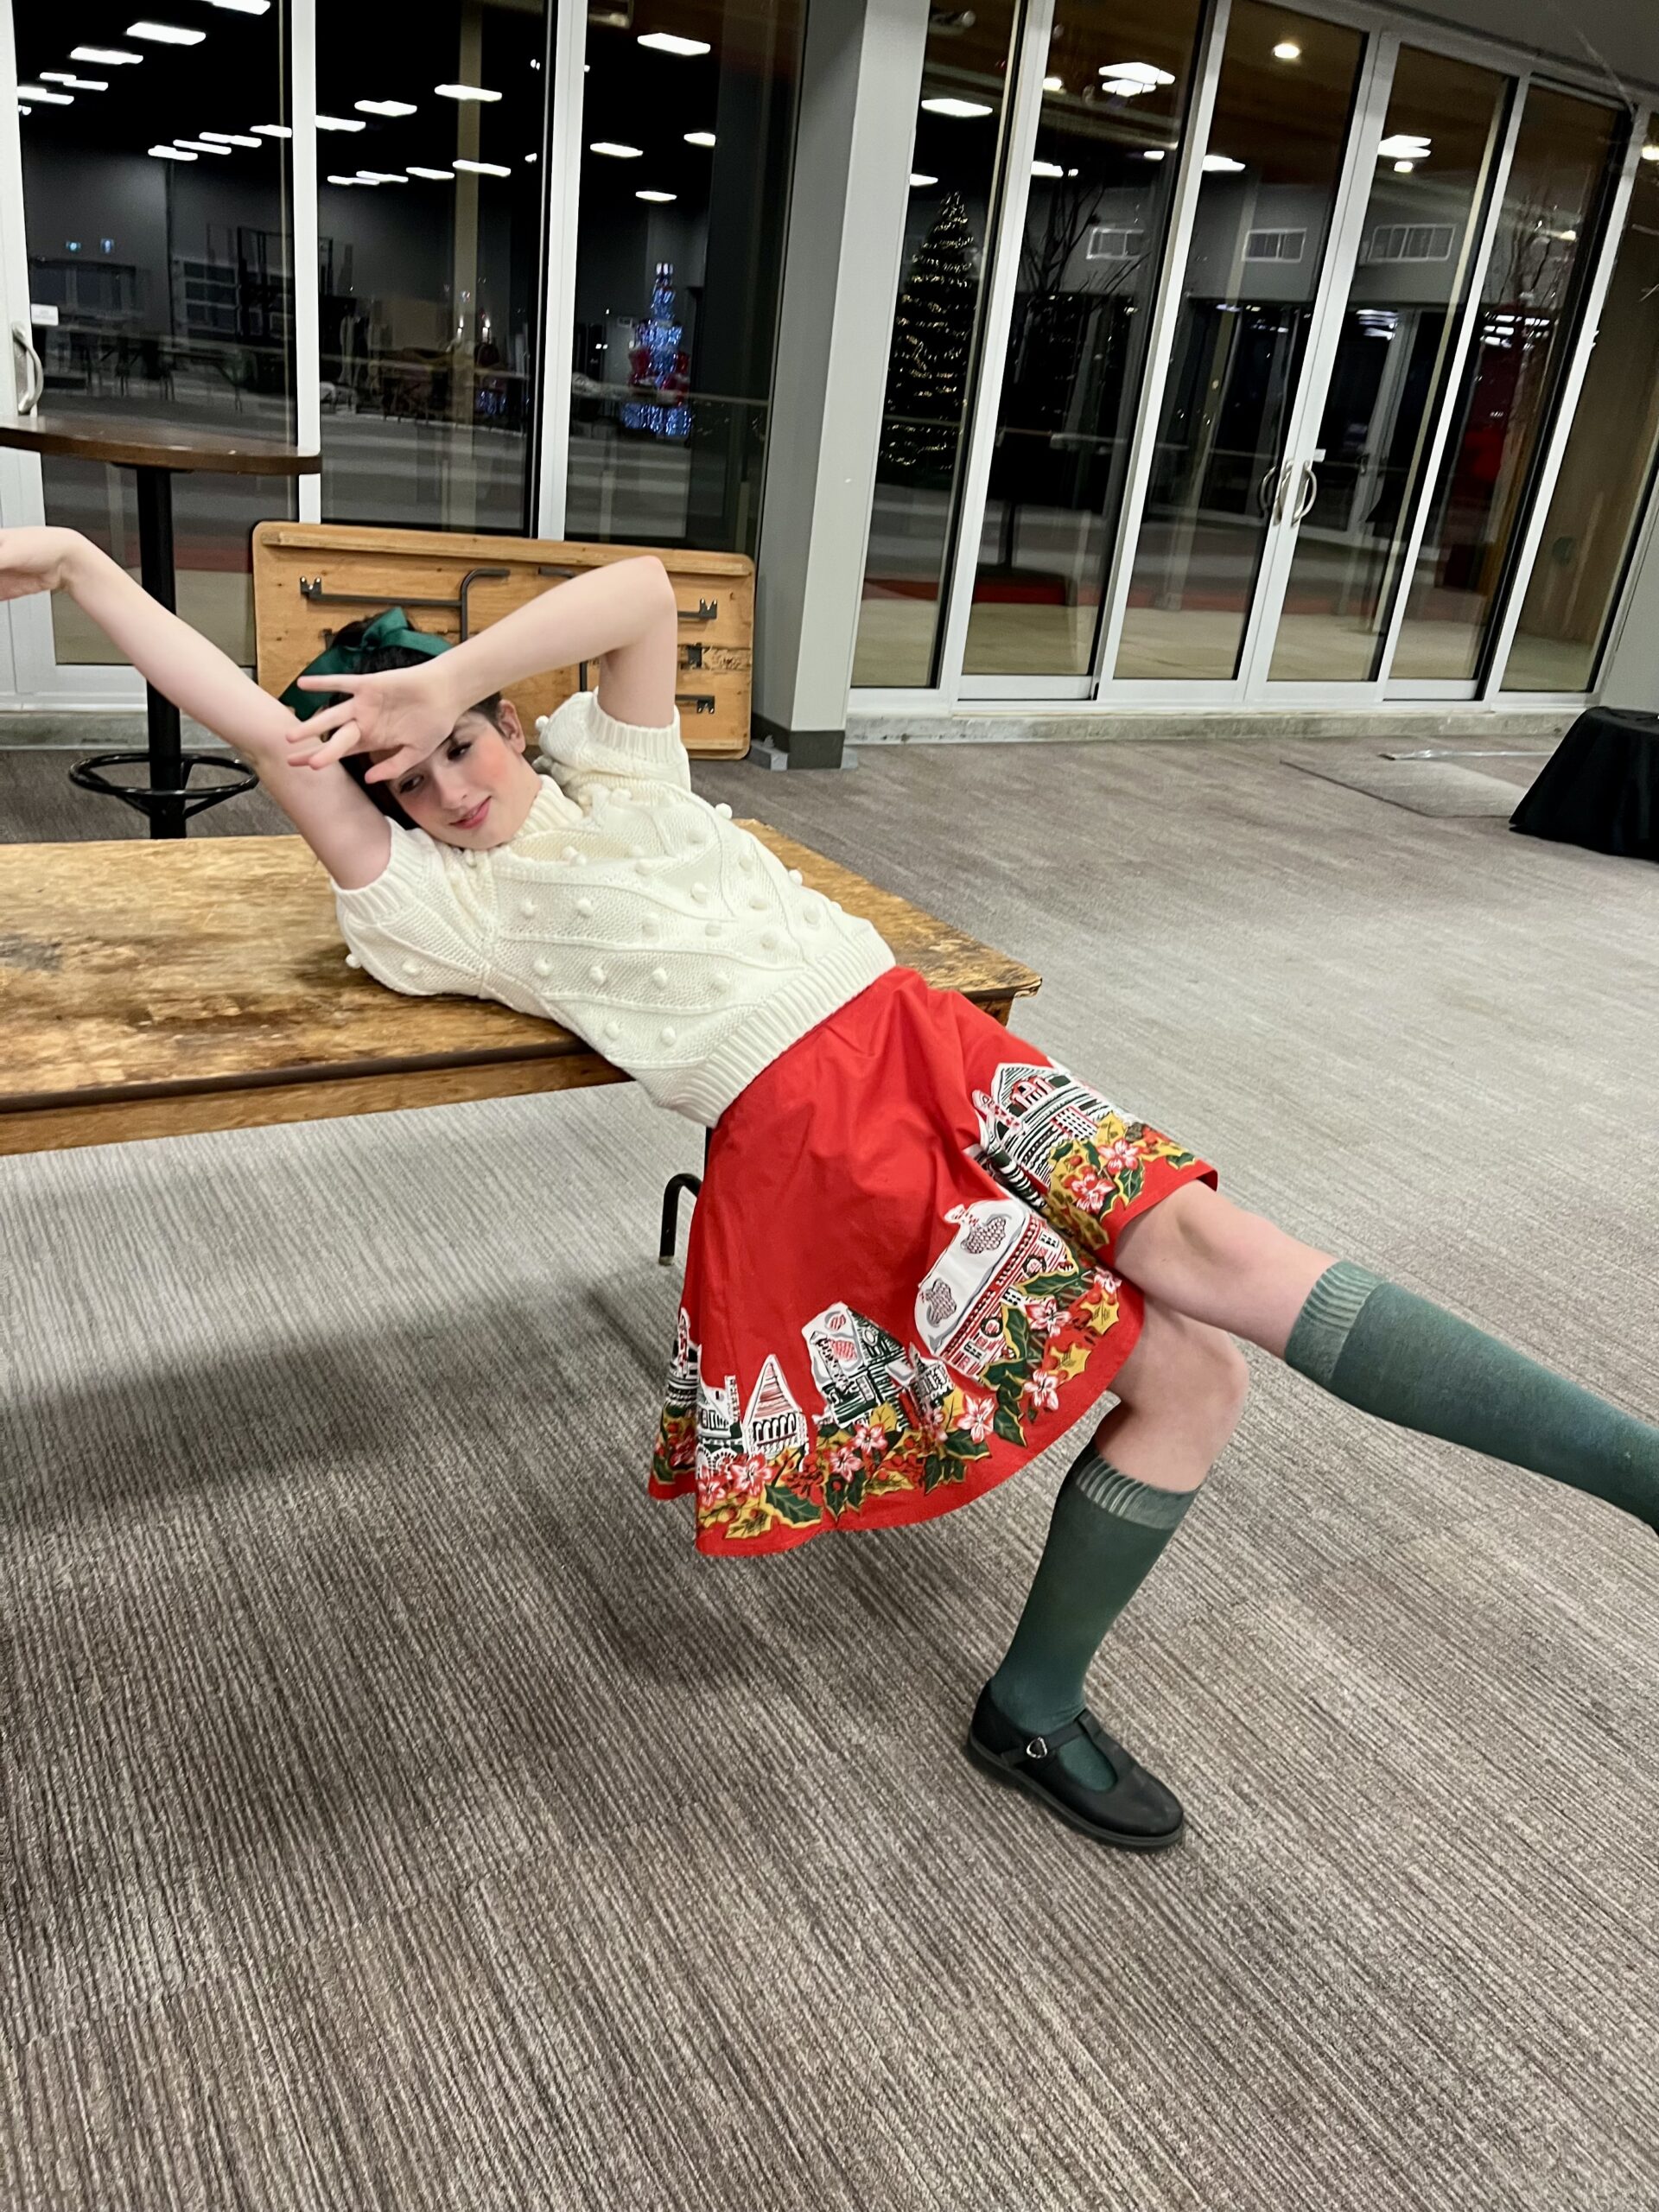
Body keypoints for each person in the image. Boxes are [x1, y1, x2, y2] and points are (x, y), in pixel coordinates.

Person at [3, 524, 1653, 1858]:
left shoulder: (620, 773)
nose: (452, 788)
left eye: (461, 745)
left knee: (1203, 1319)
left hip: (935, 1044)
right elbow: (263, 737)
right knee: (1199, 1352)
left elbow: (638, 589)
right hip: (817, 1134)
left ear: (502, 715)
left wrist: (442, 672)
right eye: (411, 784)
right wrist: (81, 566)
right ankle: (1040, 1711)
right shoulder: (443, 907)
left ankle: (1059, 1694)